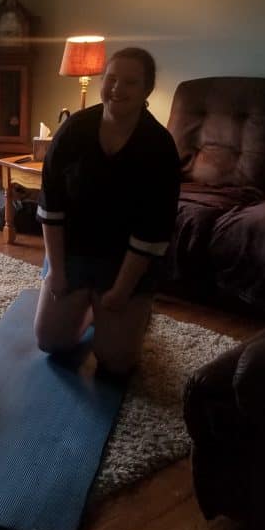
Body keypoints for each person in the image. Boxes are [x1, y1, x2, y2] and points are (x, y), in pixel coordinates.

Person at [35, 47, 181, 375]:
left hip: (126, 261)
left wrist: (122, 290)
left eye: (130, 82)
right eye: (111, 79)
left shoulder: (159, 147)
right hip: (73, 253)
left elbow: (153, 231)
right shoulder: (73, 131)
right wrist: (56, 271)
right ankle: (89, 305)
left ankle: (135, 311)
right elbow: (51, 208)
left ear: (147, 90)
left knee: (115, 360)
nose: (117, 89)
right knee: (51, 342)